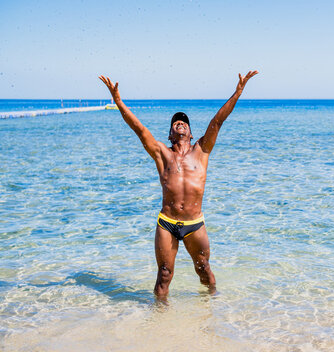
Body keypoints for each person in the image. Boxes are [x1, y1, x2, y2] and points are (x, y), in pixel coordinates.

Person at [99, 71, 258, 298]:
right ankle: (160, 323)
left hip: (195, 223)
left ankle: (210, 310)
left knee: (204, 272)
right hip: (167, 223)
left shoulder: (202, 150)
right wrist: (118, 102)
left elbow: (218, 120)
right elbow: (139, 129)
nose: (180, 122)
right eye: (175, 122)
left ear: (191, 133)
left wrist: (238, 92)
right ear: (170, 133)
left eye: (184, 122)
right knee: (164, 274)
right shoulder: (161, 154)